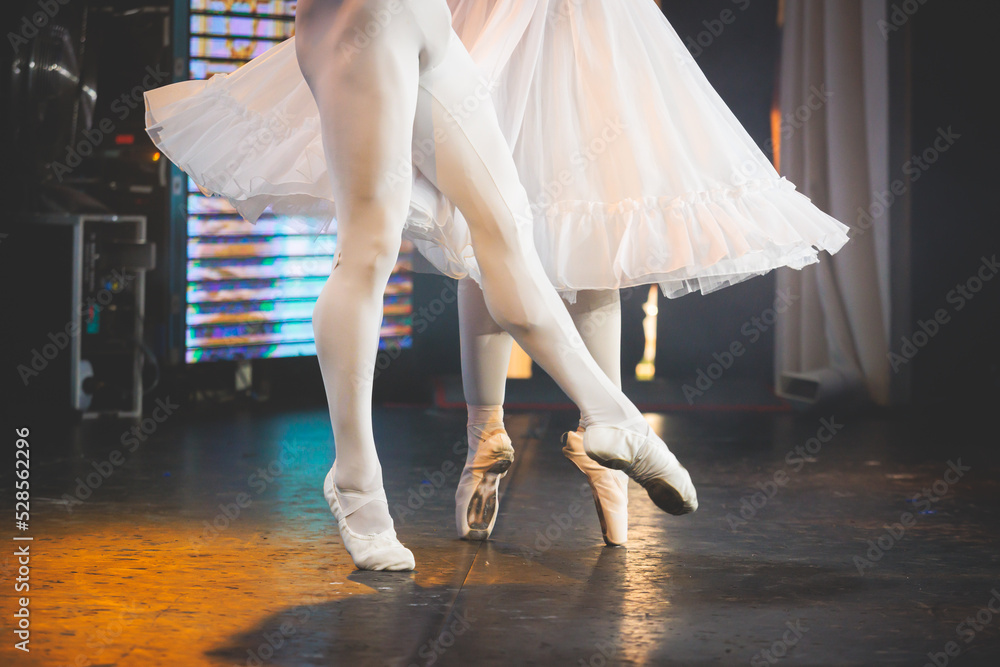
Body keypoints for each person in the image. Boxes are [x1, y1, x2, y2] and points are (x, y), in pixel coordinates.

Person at [145, 0, 699, 572]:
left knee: (507, 232)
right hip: (364, 20)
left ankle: (613, 416)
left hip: (427, 17)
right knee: (367, 251)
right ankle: (354, 478)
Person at [440, 0, 852, 547]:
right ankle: (581, 437)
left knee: (528, 220)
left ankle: (501, 436)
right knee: (530, 220)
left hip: (551, 23)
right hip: (546, 25)